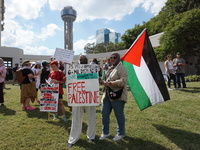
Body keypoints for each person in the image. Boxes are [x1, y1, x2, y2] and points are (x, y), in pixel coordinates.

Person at [68, 55, 96, 148]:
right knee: (76, 119)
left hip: (89, 97)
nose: (82, 61)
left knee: (91, 117)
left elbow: (95, 82)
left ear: (87, 60)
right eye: (81, 59)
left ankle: (91, 136)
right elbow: (71, 81)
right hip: (77, 97)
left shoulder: (92, 69)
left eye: (84, 59)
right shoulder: (74, 69)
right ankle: (73, 138)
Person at [99, 52, 128, 142]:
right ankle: (105, 132)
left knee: (119, 115)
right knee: (104, 113)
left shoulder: (121, 68)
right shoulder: (109, 69)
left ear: (119, 58)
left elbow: (123, 81)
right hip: (107, 95)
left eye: (114, 57)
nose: (112, 59)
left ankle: (121, 133)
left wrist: (110, 83)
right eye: (111, 57)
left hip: (118, 96)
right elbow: (106, 81)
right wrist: (102, 81)